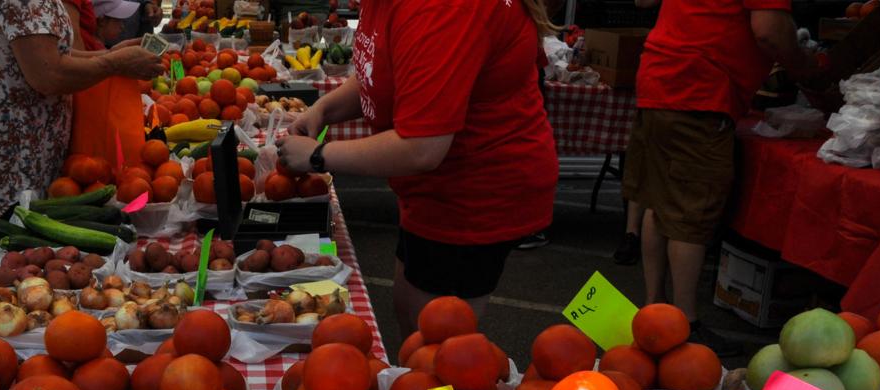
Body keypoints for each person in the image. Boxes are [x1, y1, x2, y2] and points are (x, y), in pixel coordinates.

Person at [277, 0, 559, 336]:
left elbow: (422, 147)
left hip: (474, 195)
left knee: (439, 343)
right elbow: (383, 68)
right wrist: (322, 109)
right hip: (433, 189)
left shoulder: (442, 10)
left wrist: (318, 156)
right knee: (412, 315)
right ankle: (428, 386)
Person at [622, 0, 816, 352]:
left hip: (662, 80)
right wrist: (805, 66)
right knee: (690, 213)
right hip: (698, 90)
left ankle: (655, 311)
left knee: (659, 202)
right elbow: (769, 31)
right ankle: (684, 324)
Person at [0, 0, 163, 301]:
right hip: (4, 175)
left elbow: (54, 53)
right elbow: (48, 73)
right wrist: (115, 63)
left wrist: (111, 54)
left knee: (26, 294)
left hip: (24, 167)